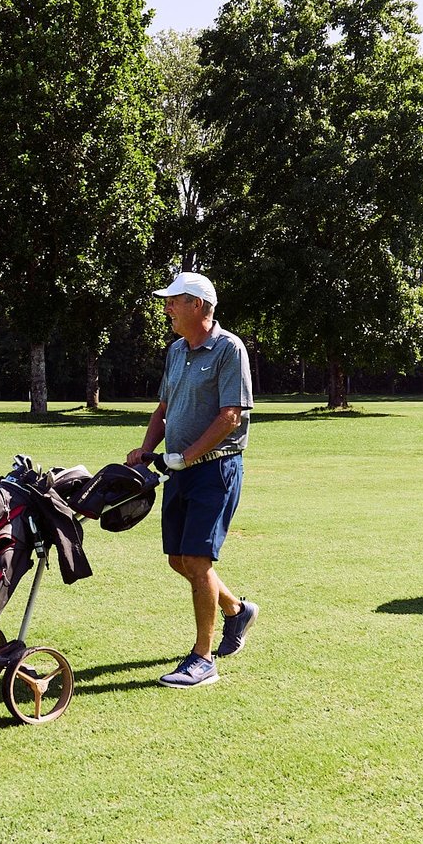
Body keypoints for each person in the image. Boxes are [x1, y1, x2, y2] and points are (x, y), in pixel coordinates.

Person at [126, 272, 258, 688]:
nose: (166, 307)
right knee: (178, 559)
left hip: (215, 469)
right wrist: (145, 451)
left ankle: (203, 659)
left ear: (198, 305)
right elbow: (163, 408)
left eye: (174, 301)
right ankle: (237, 610)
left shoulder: (228, 349)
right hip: (178, 468)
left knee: (198, 561)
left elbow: (230, 416)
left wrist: (187, 456)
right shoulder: (177, 350)